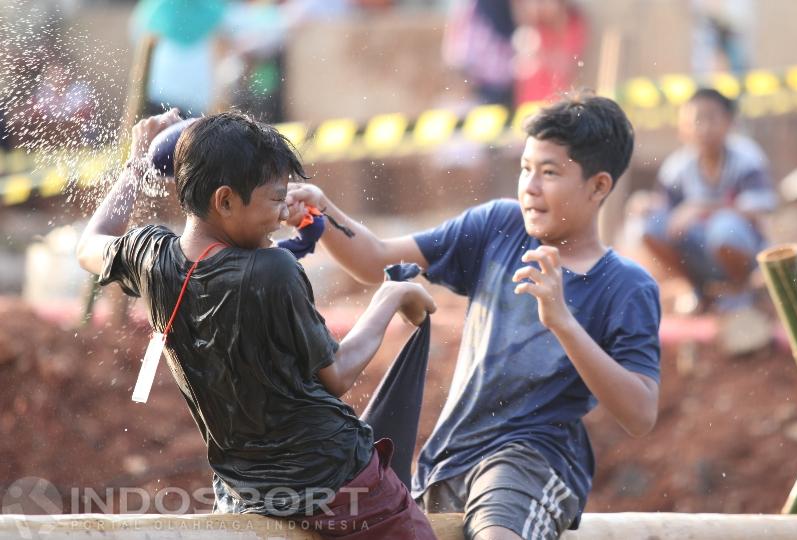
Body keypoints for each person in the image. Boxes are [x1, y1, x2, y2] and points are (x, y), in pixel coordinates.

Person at [285, 93, 661, 540]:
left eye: (550, 173)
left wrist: (562, 320)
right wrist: (321, 209)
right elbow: (376, 260)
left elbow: (640, 414)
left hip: (530, 461)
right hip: (450, 457)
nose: (531, 187)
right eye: (526, 168)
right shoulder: (498, 227)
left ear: (599, 186)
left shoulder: (626, 286)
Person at [75, 109, 438, 539]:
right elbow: (337, 375)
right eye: (275, 198)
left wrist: (135, 165)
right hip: (337, 483)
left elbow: (88, 245)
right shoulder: (273, 270)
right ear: (225, 200)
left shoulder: (152, 258)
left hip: (246, 492)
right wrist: (389, 296)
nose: (282, 210)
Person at [640, 88, 776, 312]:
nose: (704, 128)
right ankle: (696, 289)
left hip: (743, 250)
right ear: (683, 128)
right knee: (651, 226)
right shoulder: (678, 165)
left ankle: (739, 289)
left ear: (729, 122)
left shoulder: (747, 157)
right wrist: (645, 204)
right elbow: (664, 209)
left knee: (724, 229)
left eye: (711, 118)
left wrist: (700, 208)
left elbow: (758, 208)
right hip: (699, 253)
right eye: (696, 120)